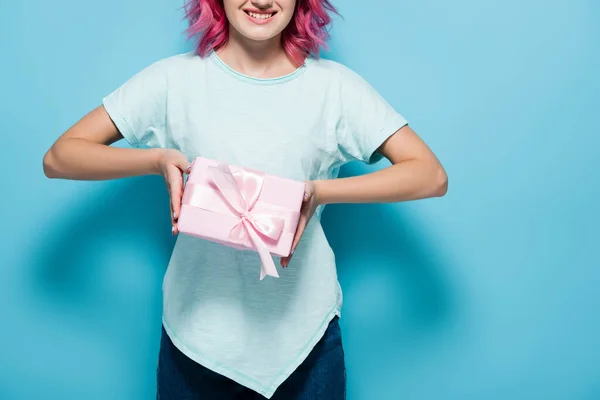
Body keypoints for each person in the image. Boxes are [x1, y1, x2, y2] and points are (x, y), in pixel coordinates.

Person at [42, 0, 448, 398]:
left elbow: (429, 175)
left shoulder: (334, 88)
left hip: (305, 343)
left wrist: (322, 191)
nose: (261, 1)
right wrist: (155, 160)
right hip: (196, 340)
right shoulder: (173, 80)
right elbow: (60, 157)